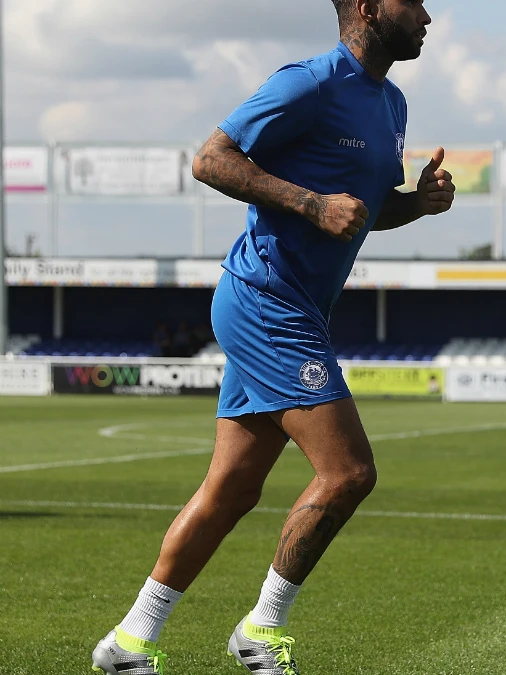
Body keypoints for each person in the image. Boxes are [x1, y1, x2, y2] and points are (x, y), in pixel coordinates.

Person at [90, 2, 453, 674]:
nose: (428, 13)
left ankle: (128, 643)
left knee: (230, 490)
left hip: (297, 309)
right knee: (347, 472)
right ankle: (261, 629)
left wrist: (416, 203)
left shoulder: (391, 102)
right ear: (370, 8)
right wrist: (312, 203)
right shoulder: (307, 83)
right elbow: (210, 159)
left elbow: (360, 214)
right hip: (266, 300)